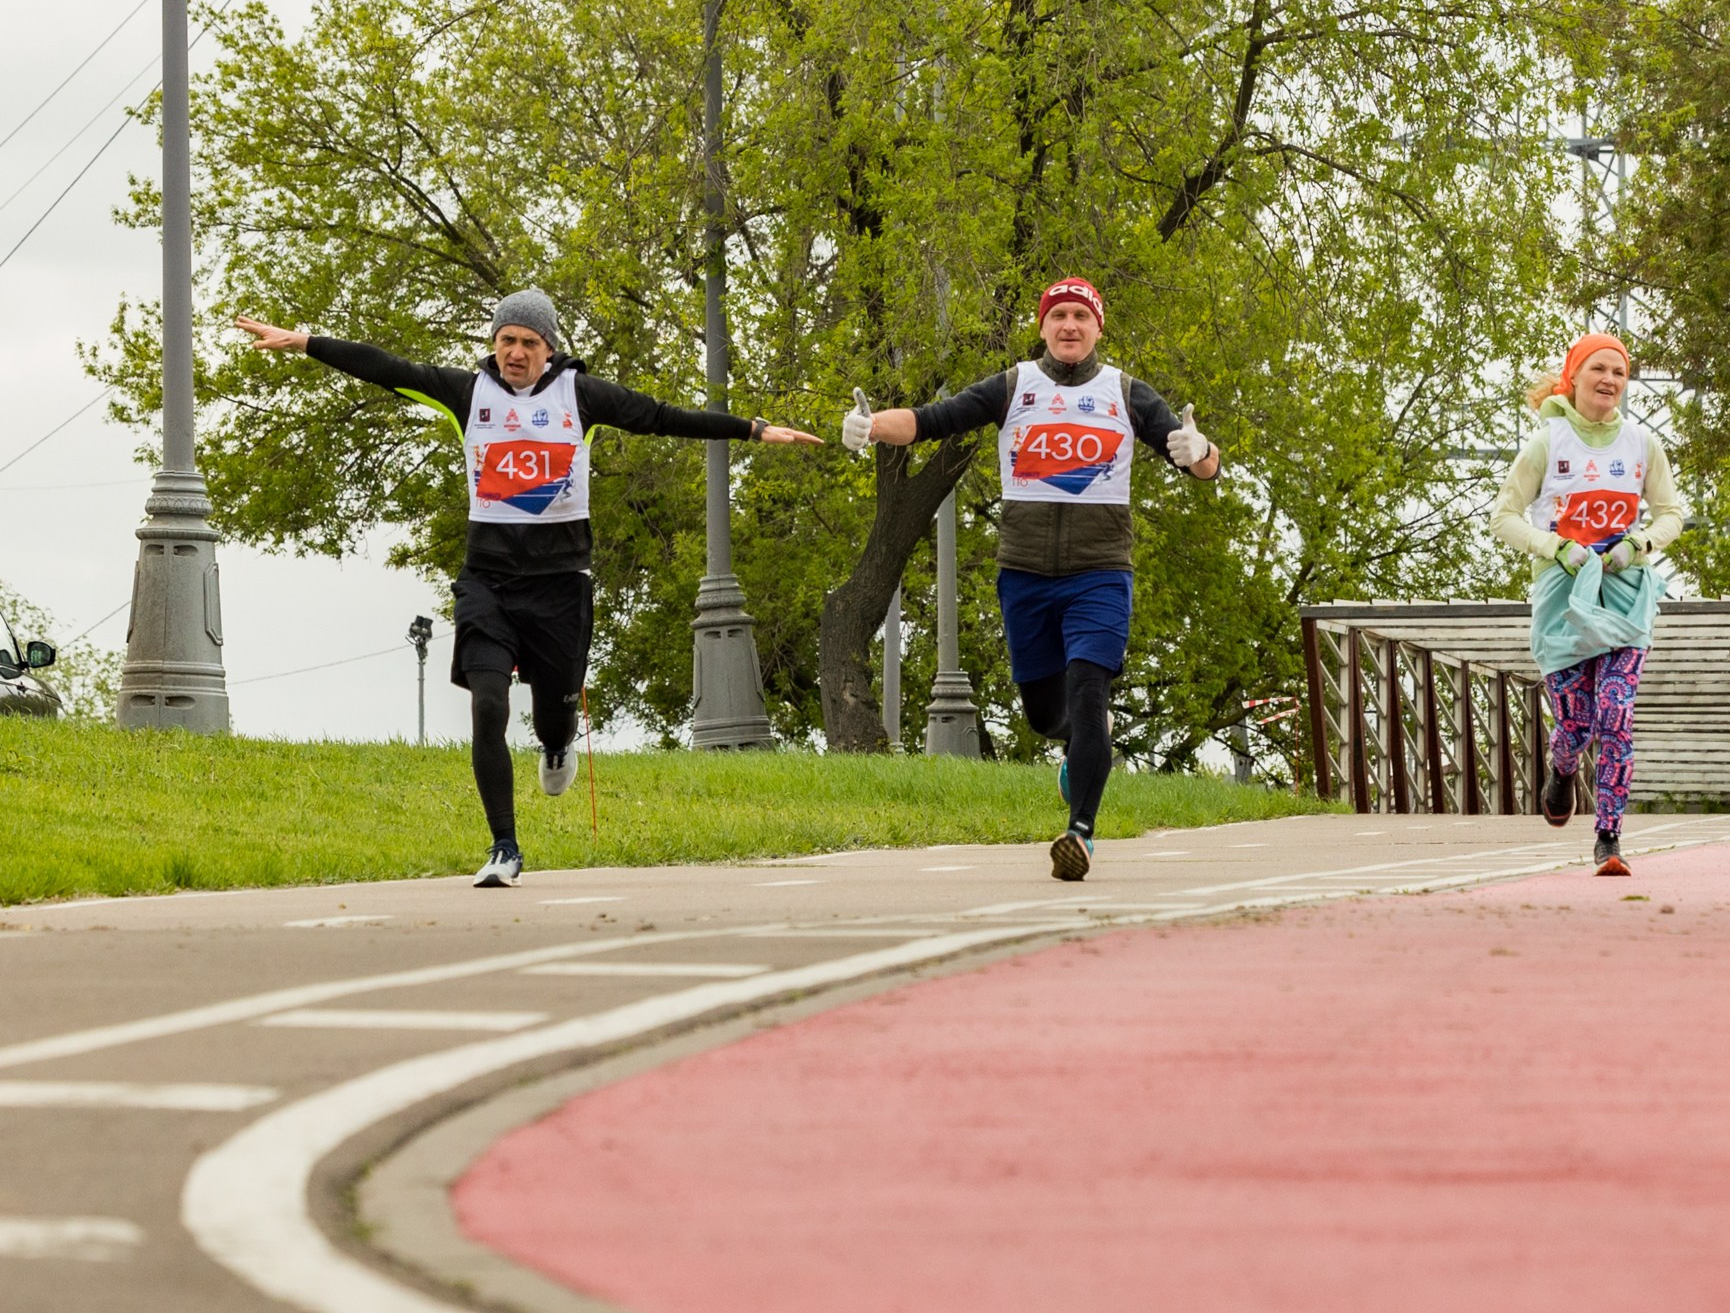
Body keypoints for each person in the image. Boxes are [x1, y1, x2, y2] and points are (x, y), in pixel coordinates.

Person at [234, 293, 822, 886]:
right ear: (495, 342)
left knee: (553, 719)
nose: (516, 353)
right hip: (487, 579)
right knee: (487, 705)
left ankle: (558, 745)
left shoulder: (580, 396)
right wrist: (305, 341)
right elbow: (387, 367)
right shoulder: (467, 394)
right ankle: (504, 846)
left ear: (549, 349)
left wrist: (752, 429)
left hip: (561, 584)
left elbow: (662, 416)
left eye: (529, 343)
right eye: (507, 340)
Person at [841, 277, 1218, 882]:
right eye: (1059, 316)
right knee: (1046, 716)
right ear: (1043, 327)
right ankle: (1076, 744)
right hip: (1025, 574)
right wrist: (872, 426)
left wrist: (1199, 451)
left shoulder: (1125, 392)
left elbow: (1200, 465)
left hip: (1100, 573)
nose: (1070, 326)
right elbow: (935, 418)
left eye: (1081, 317)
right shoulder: (1015, 386)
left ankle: (1081, 833)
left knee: (1090, 689)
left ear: (1098, 327)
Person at [1489, 332, 1686, 874]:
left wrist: (1638, 544)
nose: (1609, 381)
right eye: (1598, 369)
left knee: (1616, 714)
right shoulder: (1546, 443)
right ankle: (1562, 767)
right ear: (1573, 377)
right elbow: (1502, 517)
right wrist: (1555, 547)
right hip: (1564, 600)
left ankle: (1610, 838)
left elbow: (1671, 513)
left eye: (1619, 373)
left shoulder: (1642, 445)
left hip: (1625, 596)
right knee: (1576, 724)